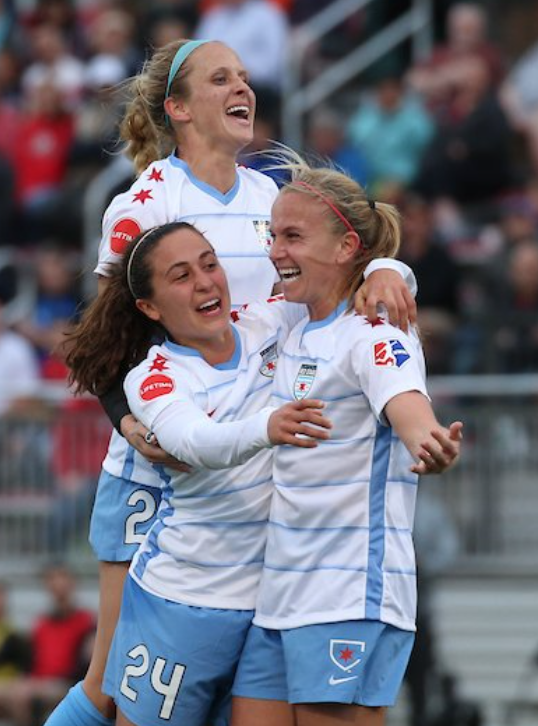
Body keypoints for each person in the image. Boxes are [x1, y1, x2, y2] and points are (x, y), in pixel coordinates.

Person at [45, 38, 417, 726]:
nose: (242, 87)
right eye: (221, 79)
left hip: (254, 470)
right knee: (109, 685)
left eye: (244, 76)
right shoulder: (144, 205)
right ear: (178, 108)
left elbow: (332, 272)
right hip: (164, 468)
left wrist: (386, 270)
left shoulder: (271, 195)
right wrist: (127, 422)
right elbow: (104, 342)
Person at [66, 221, 333, 726]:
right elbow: (195, 442)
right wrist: (268, 427)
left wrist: (388, 270)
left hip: (270, 602)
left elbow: (341, 287)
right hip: (184, 605)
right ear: (150, 307)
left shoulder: (268, 322)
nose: (207, 281)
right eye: (182, 276)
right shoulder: (153, 378)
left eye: (210, 264)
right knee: (101, 695)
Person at [230, 153, 463, 726]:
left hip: (347, 590)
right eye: (272, 234)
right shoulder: (292, 320)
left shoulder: (374, 333)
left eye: (292, 236)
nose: (275, 251)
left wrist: (429, 444)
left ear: (343, 248)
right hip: (280, 590)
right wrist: (390, 265)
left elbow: (409, 407)